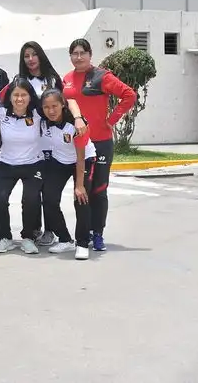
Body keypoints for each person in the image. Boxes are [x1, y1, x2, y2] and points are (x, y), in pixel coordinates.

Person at [0, 41, 88, 246]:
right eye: (26, 56)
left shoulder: (53, 78)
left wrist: (77, 117)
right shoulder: (19, 81)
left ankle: (51, 230)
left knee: (46, 190)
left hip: (54, 142)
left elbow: (69, 100)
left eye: (34, 55)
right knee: (36, 192)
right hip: (35, 141)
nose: (30, 59)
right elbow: (2, 102)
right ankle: (35, 229)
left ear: (40, 56)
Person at [62, 38, 137, 252]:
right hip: (78, 145)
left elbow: (129, 95)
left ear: (89, 54)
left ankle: (98, 234)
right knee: (82, 189)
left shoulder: (101, 76)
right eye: (74, 53)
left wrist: (111, 120)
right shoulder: (66, 79)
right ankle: (82, 235)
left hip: (101, 142)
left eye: (82, 53)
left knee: (99, 191)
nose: (78, 57)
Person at [0, 77, 45, 254]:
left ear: (30, 96)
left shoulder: (39, 112)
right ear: (9, 96)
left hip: (33, 163)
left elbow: (63, 104)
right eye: (16, 95)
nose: (19, 99)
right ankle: (5, 237)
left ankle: (28, 237)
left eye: (24, 95)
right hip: (6, 163)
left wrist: (78, 118)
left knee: (30, 200)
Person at [39, 88, 95, 258]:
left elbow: (80, 157)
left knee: (81, 198)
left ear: (62, 105)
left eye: (55, 106)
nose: (51, 111)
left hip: (83, 159)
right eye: (46, 107)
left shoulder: (76, 124)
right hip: (60, 161)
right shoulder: (43, 119)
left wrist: (79, 185)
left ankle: (83, 243)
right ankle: (65, 240)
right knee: (49, 199)